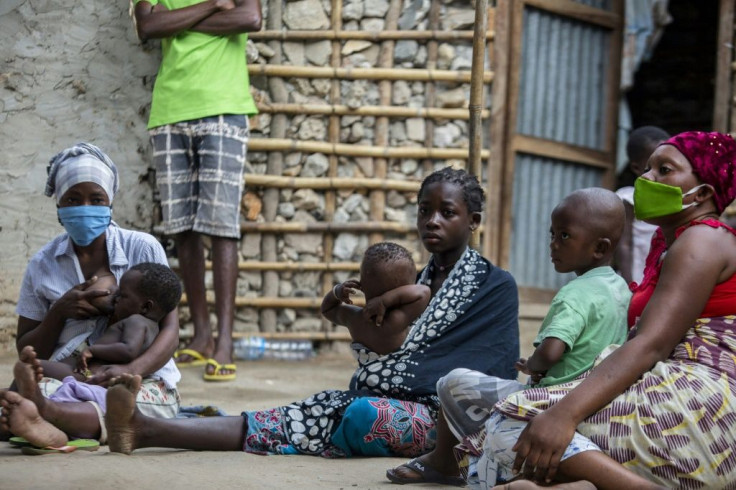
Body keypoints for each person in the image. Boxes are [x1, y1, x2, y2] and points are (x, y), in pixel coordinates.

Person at [101, 166, 520, 459]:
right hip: (381, 399)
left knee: (356, 414)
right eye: (424, 211)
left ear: (474, 221)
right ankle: (143, 429)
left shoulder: (494, 287)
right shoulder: (413, 280)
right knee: (303, 411)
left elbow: (490, 374)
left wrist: (406, 374)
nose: (432, 221)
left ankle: (154, 428)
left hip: (444, 426)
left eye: (447, 213)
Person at [471, 131, 736, 489]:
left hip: (699, 406)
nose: (647, 178)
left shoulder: (701, 240)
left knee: (508, 428)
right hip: (679, 390)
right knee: (508, 443)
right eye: (647, 168)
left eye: (664, 170)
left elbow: (651, 344)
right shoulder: (676, 242)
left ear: (702, 193)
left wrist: (564, 415)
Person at [386, 188, 631, 485]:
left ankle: (445, 462)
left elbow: (552, 352)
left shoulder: (575, 294)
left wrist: (534, 365)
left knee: (451, 382)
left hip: (553, 400)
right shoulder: (620, 289)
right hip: (593, 402)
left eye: (564, 236)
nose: (553, 245)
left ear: (600, 248)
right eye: (552, 234)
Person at [3, 143, 181, 445]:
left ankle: (45, 416)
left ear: (110, 202)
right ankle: (42, 419)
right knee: (20, 404)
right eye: (73, 199)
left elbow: (171, 330)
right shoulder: (42, 264)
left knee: (117, 405)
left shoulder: (142, 247)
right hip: (69, 375)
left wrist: (129, 370)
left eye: (96, 199)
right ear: (59, 205)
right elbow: (28, 349)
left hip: (142, 378)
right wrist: (59, 312)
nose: (85, 207)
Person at [131, 0, 262, 382]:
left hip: (223, 107)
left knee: (221, 226)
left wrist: (177, 22)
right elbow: (148, 27)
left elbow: (250, 17)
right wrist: (212, 8)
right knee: (182, 228)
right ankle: (202, 336)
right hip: (170, 110)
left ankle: (225, 342)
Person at [38, 263, 182, 382]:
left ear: (145, 307)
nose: (116, 298)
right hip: (89, 371)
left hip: (91, 374)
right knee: (53, 366)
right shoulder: (151, 328)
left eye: (123, 295)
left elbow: (128, 350)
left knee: (33, 366)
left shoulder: (136, 321)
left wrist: (92, 350)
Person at [322, 241, 431, 355]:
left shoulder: (355, 318)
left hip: (366, 373)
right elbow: (424, 291)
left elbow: (327, 310)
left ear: (361, 285)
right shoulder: (397, 321)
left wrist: (336, 292)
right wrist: (384, 301)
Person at [614, 126, 669, 284]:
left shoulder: (675, 198)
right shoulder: (628, 198)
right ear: (637, 168)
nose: (663, 172)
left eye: (666, 166)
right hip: (635, 276)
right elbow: (623, 244)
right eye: (654, 166)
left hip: (663, 278)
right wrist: (628, 283)